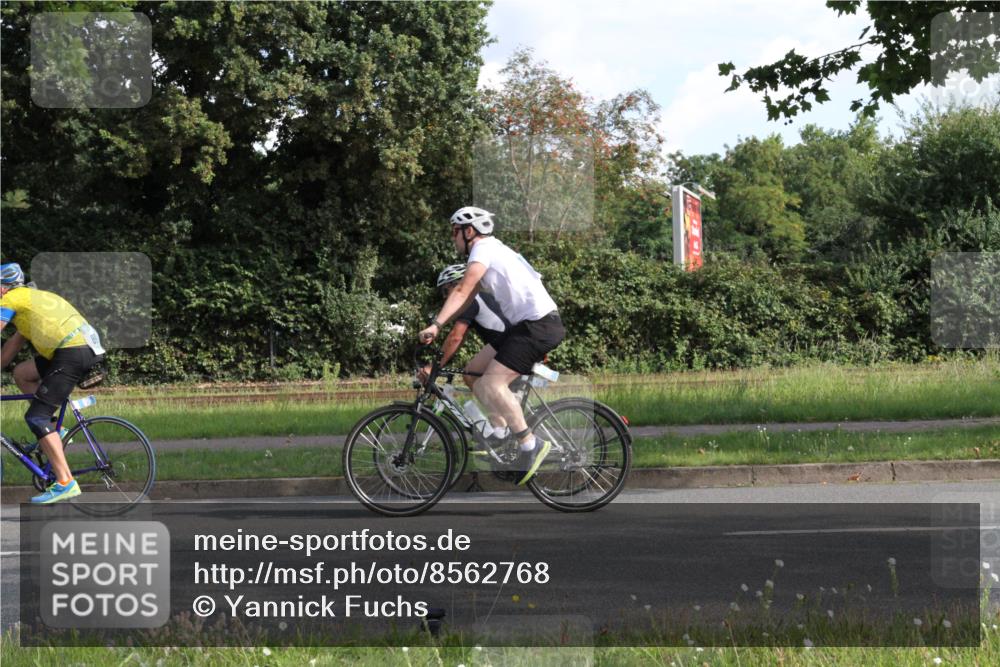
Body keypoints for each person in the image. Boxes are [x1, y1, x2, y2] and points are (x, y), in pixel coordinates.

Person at [419, 207, 565, 485]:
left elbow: (461, 291)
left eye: (454, 232)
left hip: (537, 326)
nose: (453, 239)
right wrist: (439, 326)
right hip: (527, 326)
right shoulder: (491, 251)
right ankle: (500, 431)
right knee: (474, 371)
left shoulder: (482, 251)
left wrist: (435, 325)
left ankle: (530, 445)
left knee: (490, 385)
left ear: (469, 231)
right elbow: (465, 296)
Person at [0, 262, 106, 504]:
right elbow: (7, 354)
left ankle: (65, 482)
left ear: (3, 288)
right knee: (22, 373)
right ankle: (55, 429)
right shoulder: (32, 301)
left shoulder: (10, 299)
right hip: (77, 348)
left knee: (35, 418)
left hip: (70, 352)